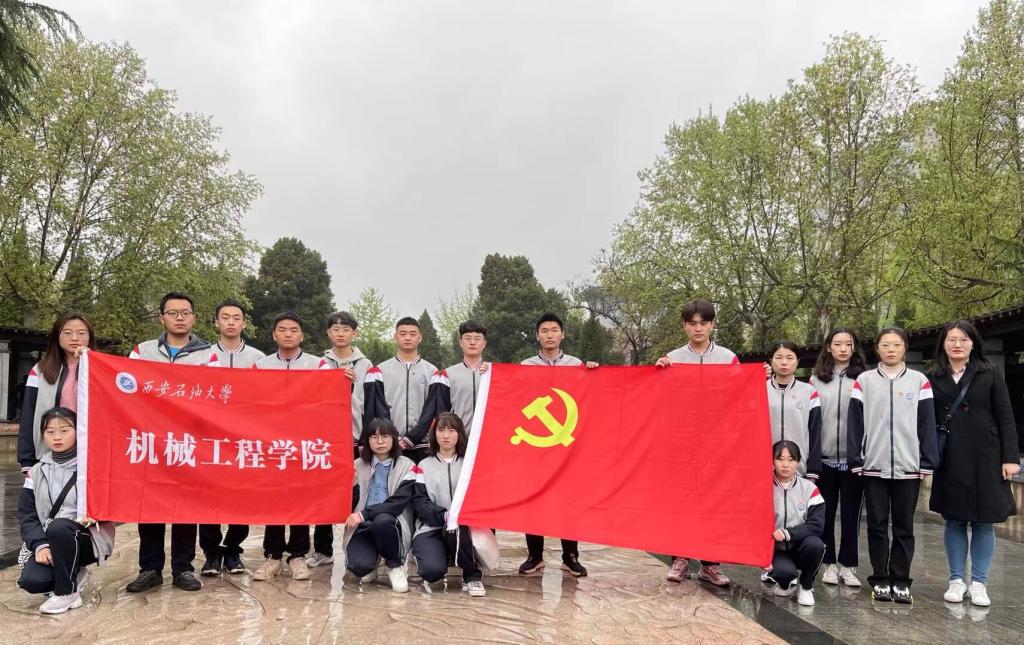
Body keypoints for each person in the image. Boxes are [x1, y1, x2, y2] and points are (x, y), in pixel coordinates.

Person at [127, 291, 218, 593]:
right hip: (151, 440)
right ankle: (150, 568)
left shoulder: (209, 356)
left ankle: (183, 569)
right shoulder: (142, 351)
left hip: (188, 441)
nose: (179, 318)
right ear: (161, 317)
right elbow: (125, 388)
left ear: (194, 318)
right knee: (149, 505)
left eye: (185, 313)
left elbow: (218, 396)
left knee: (185, 505)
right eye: (173, 313)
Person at [928, 320, 1020, 607]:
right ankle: (956, 580)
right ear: (943, 344)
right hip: (951, 456)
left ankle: (979, 583)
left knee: (983, 521)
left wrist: (1010, 458)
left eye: (964, 339)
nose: (957, 344)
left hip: (987, 457)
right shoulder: (932, 377)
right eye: (952, 339)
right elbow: (925, 421)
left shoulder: (989, 373)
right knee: (954, 518)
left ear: (973, 343)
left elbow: (1005, 416)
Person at [848, 327, 938, 605]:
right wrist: (856, 459)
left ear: (905, 348)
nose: (890, 349)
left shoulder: (919, 381)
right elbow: (855, 424)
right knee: (876, 525)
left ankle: (901, 581)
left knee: (904, 526)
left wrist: (927, 461)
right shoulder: (864, 381)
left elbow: (927, 423)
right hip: (873, 465)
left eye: (896, 345)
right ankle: (879, 578)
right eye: (885, 345)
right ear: (877, 349)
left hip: (908, 466)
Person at [656, 298, 738, 587]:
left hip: (717, 444)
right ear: (684, 326)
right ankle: (680, 559)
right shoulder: (672, 359)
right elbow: (659, 400)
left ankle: (710, 563)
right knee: (681, 500)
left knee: (713, 502)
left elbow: (740, 397)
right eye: (692, 323)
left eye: (704, 323)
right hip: (681, 443)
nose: (698, 328)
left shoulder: (728, 359)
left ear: (713, 325)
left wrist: (759, 378)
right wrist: (657, 374)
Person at [518, 312, 598, 578]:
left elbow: (590, 397)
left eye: (554, 330)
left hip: (568, 446)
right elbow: (513, 396)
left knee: (569, 501)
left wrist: (594, 373)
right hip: (536, 444)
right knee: (534, 499)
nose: (549, 335)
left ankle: (571, 557)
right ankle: (535, 556)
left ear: (562, 334)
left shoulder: (576, 365)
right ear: (537, 336)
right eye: (544, 331)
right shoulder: (525, 366)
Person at [251, 312, 328, 582]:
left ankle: (297, 555)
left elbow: (330, 399)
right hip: (271, 443)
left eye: (293, 330)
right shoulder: (261, 366)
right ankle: (272, 556)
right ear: (274, 335)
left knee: (299, 498)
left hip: (304, 443)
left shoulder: (318, 365)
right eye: (282, 329)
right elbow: (251, 401)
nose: (287, 334)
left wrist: (346, 382)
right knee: (273, 498)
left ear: (301, 335)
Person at [17, 407, 115, 614]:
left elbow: (111, 502)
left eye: (64, 430)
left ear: (78, 432)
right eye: (50, 432)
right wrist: (40, 545)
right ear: (43, 435)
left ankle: (66, 593)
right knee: (32, 581)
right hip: (51, 540)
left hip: (86, 538)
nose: (57, 437)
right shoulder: (36, 472)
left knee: (59, 527)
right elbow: (27, 515)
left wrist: (95, 514)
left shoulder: (92, 467)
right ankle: (75, 573)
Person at [198, 299, 265, 577]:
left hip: (244, 439)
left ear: (244, 323)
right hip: (209, 438)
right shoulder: (200, 356)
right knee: (208, 497)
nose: (230, 322)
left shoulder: (259, 359)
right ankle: (211, 553)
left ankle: (233, 550)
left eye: (236, 318)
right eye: (225, 317)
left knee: (241, 497)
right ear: (216, 322)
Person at [306, 310, 373, 569]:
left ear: (354, 333)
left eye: (346, 329)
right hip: (325, 440)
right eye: (336, 329)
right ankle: (323, 550)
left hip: (355, 437)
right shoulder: (319, 363)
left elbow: (371, 401)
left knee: (357, 494)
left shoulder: (365, 365)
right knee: (323, 494)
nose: (341, 334)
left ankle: (358, 547)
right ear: (328, 333)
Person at [810, 328, 866, 588]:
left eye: (848, 344)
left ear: (854, 348)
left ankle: (848, 565)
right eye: (838, 344)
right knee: (826, 513)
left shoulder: (864, 379)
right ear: (828, 347)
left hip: (854, 461)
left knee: (851, 515)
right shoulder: (816, 380)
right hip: (824, 459)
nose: (843, 349)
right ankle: (829, 564)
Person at [411, 412, 485, 597]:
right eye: (441, 430)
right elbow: (420, 501)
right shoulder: (423, 465)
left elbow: (480, 496)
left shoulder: (470, 464)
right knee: (431, 572)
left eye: (451, 430)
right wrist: (445, 515)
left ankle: (472, 576)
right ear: (434, 434)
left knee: (454, 527)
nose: (446, 436)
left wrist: (458, 517)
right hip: (431, 528)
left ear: (459, 434)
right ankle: (443, 554)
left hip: (463, 529)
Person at [344, 418, 418, 592]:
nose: (380, 442)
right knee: (359, 568)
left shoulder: (408, 466)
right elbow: (347, 505)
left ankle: (394, 564)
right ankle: (372, 560)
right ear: (367, 441)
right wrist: (352, 485)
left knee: (382, 520)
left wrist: (363, 514)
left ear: (394, 439)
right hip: (362, 526)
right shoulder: (356, 465)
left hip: (391, 525)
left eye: (385, 436)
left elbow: (397, 504)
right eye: (374, 437)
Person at [18, 313, 96, 474]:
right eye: (67, 333)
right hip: (49, 456)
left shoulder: (100, 369)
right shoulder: (39, 372)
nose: (75, 338)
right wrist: (27, 461)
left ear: (90, 337)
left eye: (82, 333)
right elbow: (28, 416)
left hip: (91, 456)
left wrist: (91, 360)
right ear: (57, 336)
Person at [766, 440, 825, 607]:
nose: (785, 465)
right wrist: (761, 555)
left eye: (791, 459)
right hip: (776, 549)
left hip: (801, 546)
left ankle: (806, 586)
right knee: (784, 573)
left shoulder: (809, 488)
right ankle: (783, 583)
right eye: (780, 459)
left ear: (798, 462)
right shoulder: (763, 486)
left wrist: (788, 533)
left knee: (816, 545)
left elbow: (816, 525)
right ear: (772, 460)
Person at [376, 317, 438, 463]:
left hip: (423, 443)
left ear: (420, 337)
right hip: (391, 443)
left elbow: (431, 409)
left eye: (413, 334)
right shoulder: (380, 370)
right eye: (403, 334)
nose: (408, 338)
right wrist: (393, 435)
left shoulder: (432, 371)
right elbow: (379, 407)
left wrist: (413, 437)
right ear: (395, 336)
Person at [766, 340, 822, 480]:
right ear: (771, 361)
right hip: (764, 467)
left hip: (798, 467)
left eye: (790, 358)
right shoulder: (759, 389)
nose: (784, 362)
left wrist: (813, 469)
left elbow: (815, 433)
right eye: (779, 358)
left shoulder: (809, 392)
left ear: (797, 362)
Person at [444, 321, 489, 433]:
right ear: (460, 342)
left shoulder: (493, 373)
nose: (472, 342)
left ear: (484, 344)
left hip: (487, 436)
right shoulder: (448, 374)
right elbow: (443, 411)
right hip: (458, 437)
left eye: (477, 339)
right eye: (468, 338)